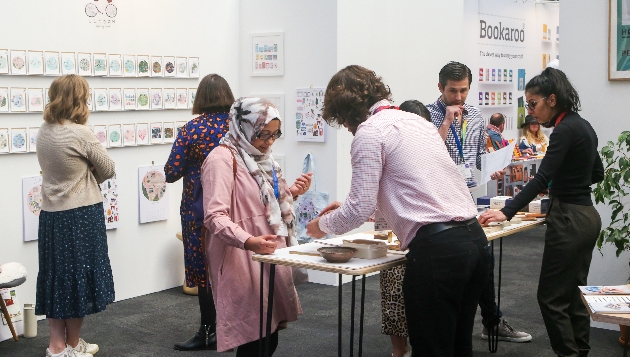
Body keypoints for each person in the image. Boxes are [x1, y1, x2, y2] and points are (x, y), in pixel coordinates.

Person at [306, 65, 489, 357]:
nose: (346, 127)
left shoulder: (369, 132)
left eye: (341, 120)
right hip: (474, 241)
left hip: (437, 252)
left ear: (348, 110)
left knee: (431, 348)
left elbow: (356, 210)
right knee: (458, 347)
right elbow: (414, 190)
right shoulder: (417, 122)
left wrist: (321, 226)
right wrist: (362, 209)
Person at [479, 67, 604, 357]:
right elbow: (595, 172)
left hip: (569, 218)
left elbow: (540, 178)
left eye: (533, 104)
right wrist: (568, 181)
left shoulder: (563, 130)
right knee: (574, 295)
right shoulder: (582, 125)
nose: (531, 111)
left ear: (551, 99)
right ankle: (580, 351)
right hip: (587, 216)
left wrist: (506, 211)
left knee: (549, 297)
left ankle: (569, 354)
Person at [426, 61, 531, 343]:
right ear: (440, 88)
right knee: (460, 263)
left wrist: (489, 168)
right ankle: (460, 327)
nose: (458, 97)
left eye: (463, 91)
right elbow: (428, 156)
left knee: (483, 257)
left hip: (467, 198)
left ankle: (491, 321)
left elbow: (471, 159)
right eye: (452, 91)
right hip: (438, 201)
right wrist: (447, 121)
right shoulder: (427, 115)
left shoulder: (474, 114)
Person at [201, 97, 312, 356]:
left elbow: (266, 204)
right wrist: (247, 241)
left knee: (268, 334)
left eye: (275, 135)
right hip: (240, 255)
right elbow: (214, 216)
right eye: (264, 134)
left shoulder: (263, 159)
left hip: (267, 251)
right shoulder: (222, 159)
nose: (269, 141)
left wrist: (292, 193)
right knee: (252, 336)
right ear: (244, 127)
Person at [36, 75, 115, 357]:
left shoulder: (44, 131)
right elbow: (108, 168)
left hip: (51, 216)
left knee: (57, 278)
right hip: (80, 215)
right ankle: (69, 346)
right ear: (79, 99)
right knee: (78, 278)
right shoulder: (81, 133)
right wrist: (89, 170)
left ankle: (58, 346)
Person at [164, 73, 234, 351]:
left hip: (200, 209)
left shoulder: (192, 129)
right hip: (235, 205)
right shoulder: (238, 127)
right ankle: (237, 329)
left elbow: (170, 172)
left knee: (204, 269)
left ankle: (208, 332)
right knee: (234, 265)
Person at [379, 99, 431, 357]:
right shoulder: (389, 148)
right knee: (393, 297)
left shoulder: (430, 152)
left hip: (427, 242)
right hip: (397, 238)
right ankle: (399, 350)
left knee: (427, 308)